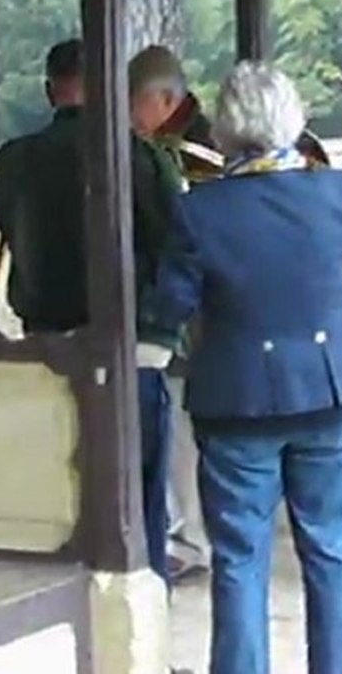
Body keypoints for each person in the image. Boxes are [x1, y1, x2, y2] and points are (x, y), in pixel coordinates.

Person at [143, 61, 342, 674]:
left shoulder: (199, 211)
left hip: (238, 401)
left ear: (225, 129)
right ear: (294, 120)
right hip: (332, 394)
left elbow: (170, 306)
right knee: (331, 556)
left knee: (238, 561)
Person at [0, 39, 184, 591]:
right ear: (108, 88)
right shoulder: (137, 157)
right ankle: (147, 607)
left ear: (49, 90)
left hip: (47, 345)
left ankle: (70, 606)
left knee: (62, 489)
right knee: (138, 496)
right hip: (127, 347)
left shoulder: (12, 161)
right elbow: (176, 244)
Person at [128, 44, 214, 582]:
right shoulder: (172, 144)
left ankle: (190, 539)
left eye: (133, 102)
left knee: (182, 435)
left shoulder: (193, 151)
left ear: (164, 100)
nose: (128, 115)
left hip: (186, 317)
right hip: (183, 313)